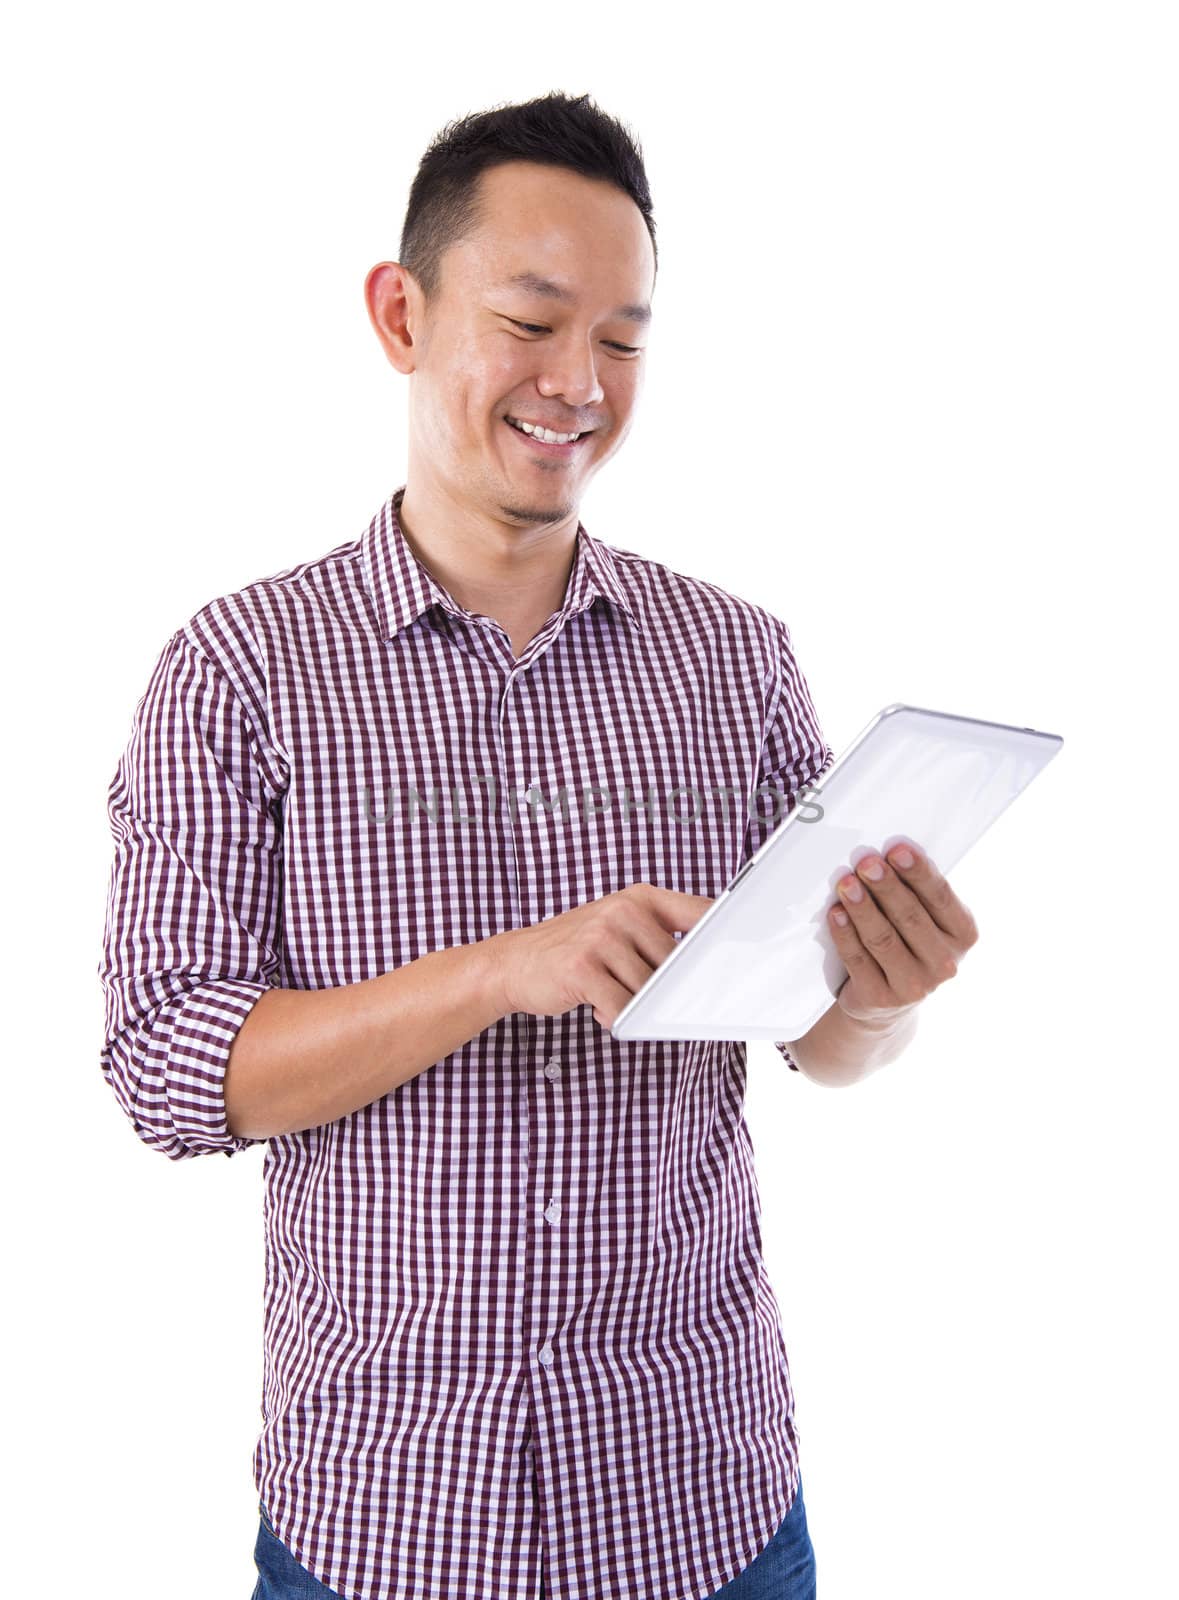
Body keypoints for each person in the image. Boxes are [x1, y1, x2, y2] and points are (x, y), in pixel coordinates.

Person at [97, 90, 978, 1600]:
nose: (580, 382)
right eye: (534, 319)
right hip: (384, 1515)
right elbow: (168, 1071)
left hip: (704, 1499)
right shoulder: (238, 671)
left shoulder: (736, 660)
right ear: (402, 313)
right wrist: (500, 971)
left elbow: (814, 1040)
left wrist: (884, 994)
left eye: (624, 338)